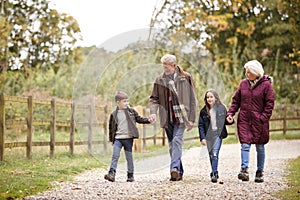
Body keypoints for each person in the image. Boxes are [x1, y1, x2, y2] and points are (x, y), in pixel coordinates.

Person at [149, 54, 197, 181]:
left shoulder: (186, 77)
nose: (164, 70)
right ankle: (179, 172)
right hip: (167, 117)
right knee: (172, 145)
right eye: (163, 67)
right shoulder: (159, 79)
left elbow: (193, 99)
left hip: (182, 116)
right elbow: (154, 98)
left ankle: (173, 168)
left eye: (167, 67)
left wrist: (192, 118)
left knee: (176, 141)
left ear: (174, 66)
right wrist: (153, 112)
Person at [226, 60, 274, 183]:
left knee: (260, 146)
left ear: (255, 72)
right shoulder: (243, 84)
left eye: (249, 72)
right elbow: (236, 100)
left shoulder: (266, 85)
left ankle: (259, 172)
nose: (246, 74)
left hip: (259, 121)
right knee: (245, 145)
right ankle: (244, 170)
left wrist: (263, 118)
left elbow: (269, 104)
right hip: (244, 120)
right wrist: (231, 113)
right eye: (246, 72)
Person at [104, 91, 152, 182]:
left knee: (129, 157)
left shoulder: (131, 112)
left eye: (127, 101)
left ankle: (130, 175)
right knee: (115, 156)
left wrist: (148, 120)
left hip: (128, 138)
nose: (127, 103)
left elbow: (139, 119)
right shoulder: (114, 114)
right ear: (118, 102)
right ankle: (111, 174)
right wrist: (111, 139)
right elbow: (111, 128)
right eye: (124, 101)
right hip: (118, 139)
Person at [198, 89, 234, 183]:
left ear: (215, 98)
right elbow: (201, 125)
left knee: (215, 153)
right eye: (207, 97)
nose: (209, 99)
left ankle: (214, 173)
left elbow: (226, 120)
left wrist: (230, 120)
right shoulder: (203, 111)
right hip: (208, 136)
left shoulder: (221, 108)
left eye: (211, 97)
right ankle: (215, 171)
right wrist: (202, 138)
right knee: (211, 155)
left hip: (218, 134)